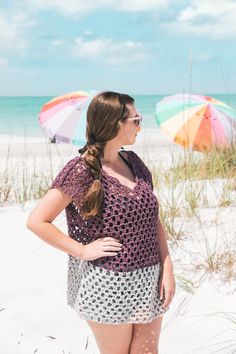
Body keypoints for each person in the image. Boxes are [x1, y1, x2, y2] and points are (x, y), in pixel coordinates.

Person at [26, 91, 175, 354]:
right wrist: (82, 250)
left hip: (150, 279)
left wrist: (167, 267)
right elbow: (37, 221)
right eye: (136, 120)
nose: (140, 127)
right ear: (117, 124)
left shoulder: (134, 162)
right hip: (108, 284)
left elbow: (153, 221)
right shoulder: (81, 169)